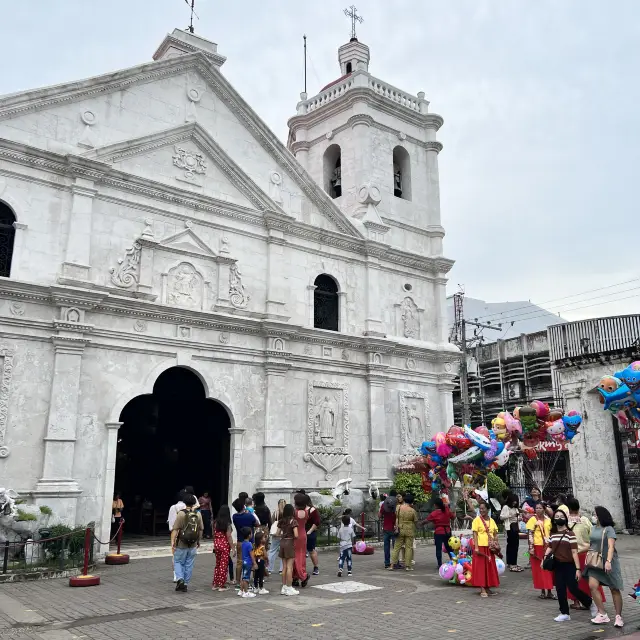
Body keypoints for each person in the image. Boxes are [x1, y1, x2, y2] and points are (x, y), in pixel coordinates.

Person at [543, 508, 596, 622]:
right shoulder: (553, 533)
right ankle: (564, 613)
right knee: (560, 589)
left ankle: (590, 603)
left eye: (561, 517)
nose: (559, 519)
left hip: (569, 565)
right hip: (558, 565)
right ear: (553, 520)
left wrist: (577, 569)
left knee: (573, 588)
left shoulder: (570, 534)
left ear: (565, 519)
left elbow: (574, 552)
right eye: (556, 517)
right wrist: (544, 558)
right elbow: (551, 546)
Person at [583, 506, 624, 627]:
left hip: (608, 562)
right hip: (595, 562)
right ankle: (602, 614)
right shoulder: (594, 528)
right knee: (592, 586)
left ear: (601, 515)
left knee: (614, 588)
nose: (593, 516)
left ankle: (618, 616)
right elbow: (592, 544)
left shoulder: (609, 529)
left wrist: (608, 561)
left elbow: (611, 546)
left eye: (595, 514)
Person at [566, 497, 606, 610]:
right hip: (586, 553)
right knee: (590, 578)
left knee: (573, 579)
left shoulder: (565, 521)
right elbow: (592, 535)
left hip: (572, 554)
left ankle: (576, 601)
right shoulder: (585, 520)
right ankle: (594, 600)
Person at [170, 493, 203, 593]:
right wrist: (198, 541)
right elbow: (200, 529)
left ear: (185, 502)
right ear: (194, 503)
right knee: (189, 564)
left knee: (178, 561)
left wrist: (172, 542)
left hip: (181, 543)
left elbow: (175, 529)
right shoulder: (198, 514)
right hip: (192, 543)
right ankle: (185, 583)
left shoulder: (181, 513)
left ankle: (180, 578)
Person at [471, 501, 500, 597]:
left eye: (483, 508)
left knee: (489, 568)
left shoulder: (492, 521)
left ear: (488, 510)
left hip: (490, 548)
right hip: (480, 547)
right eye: (480, 508)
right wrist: (476, 547)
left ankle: (488, 587)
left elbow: (495, 534)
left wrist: (496, 544)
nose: (481, 510)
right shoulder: (477, 520)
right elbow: (475, 534)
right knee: (480, 569)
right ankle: (482, 588)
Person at [526, 502, 554, 599]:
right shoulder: (532, 519)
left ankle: (549, 590)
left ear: (544, 509)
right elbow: (530, 534)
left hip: (547, 546)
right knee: (539, 569)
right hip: (537, 546)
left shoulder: (548, 519)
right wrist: (531, 548)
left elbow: (551, 532)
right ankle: (542, 590)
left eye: (540, 508)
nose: (538, 510)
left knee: (548, 568)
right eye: (536, 508)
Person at [232, 497, 259, 585]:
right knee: (252, 559)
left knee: (239, 561)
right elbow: (257, 523)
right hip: (250, 541)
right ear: (243, 506)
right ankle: (254, 579)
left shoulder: (235, 516)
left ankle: (237, 580)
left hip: (240, 541)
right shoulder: (249, 516)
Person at [423, 497, 455, 568]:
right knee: (449, 547)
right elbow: (453, 517)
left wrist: (420, 523)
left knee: (438, 548)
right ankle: (453, 561)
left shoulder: (434, 513)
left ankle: (440, 564)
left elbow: (427, 520)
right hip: (447, 531)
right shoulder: (447, 510)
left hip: (439, 532)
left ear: (435, 505)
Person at [390, 493, 418, 571]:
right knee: (409, 548)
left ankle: (392, 565)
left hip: (400, 529)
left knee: (396, 548)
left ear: (404, 499)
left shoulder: (398, 507)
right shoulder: (412, 510)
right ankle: (408, 566)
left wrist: (396, 527)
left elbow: (396, 518)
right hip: (409, 530)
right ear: (412, 502)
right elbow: (415, 521)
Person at [277, 503, 299, 596]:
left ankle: (284, 586)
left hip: (282, 542)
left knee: (284, 567)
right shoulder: (293, 521)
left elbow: (277, 533)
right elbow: (296, 534)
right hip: (290, 543)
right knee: (290, 567)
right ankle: (289, 587)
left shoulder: (281, 521)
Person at [212, 505, 234, 591]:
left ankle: (215, 584)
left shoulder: (215, 522)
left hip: (217, 544)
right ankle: (221, 585)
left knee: (217, 564)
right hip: (224, 545)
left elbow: (213, 534)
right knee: (223, 565)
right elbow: (228, 536)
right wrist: (233, 548)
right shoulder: (227, 524)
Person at [500, 493, 524, 572]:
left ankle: (514, 562)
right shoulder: (506, 507)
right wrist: (510, 516)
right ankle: (511, 563)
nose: (515, 503)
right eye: (513, 501)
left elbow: (517, 517)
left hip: (516, 527)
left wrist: (519, 517)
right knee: (511, 545)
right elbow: (501, 517)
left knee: (516, 545)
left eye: (516, 501)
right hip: (510, 527)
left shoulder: (515, 508)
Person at [168, 491, 188, 582]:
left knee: (175, 555)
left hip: (175, 533)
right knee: (185, 554)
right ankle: (183, 573)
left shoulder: (173, 507)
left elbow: (170, 523)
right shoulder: (187, 507)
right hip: (186, 533)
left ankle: (176, 575)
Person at [292, 493, 309, 588]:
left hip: (296, 535)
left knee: (295, 556)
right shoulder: (306, 512)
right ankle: (299, 575)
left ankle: (301, 576)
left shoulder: (294, 512)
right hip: (303, 534)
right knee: (301, 556)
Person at [379, 489, 397, 569]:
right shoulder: (397, 503)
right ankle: (395, 563)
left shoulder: (385, 503)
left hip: (386, 527)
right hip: (394, 528)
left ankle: (387, 563)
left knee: (386, 547)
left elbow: (379, 515)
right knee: (395, 547)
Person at [268, 499, 286, 576]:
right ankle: (281, 569)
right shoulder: (287, 514)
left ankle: (269, 568)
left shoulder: (276, 513)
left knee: (272, 551)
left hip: (275, 535)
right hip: (284, 535)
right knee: (283, 552)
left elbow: (271, 523)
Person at [304, 495, 321, 576]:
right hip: (301, 532)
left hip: (309, 532)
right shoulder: (298, 509)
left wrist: (310, 531)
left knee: (311, 550)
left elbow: (316, 522)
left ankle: (316, 567)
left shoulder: (312, 509)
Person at [239, 527, 257, 598]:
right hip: (248, 562)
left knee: (243, 577)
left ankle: (241, 590)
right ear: (249, 535)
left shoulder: (243, 543)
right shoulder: (249, 544)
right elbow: (251, 555)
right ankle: (246, 592)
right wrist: (254, 563)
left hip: (244, 561)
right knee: (246, 578)